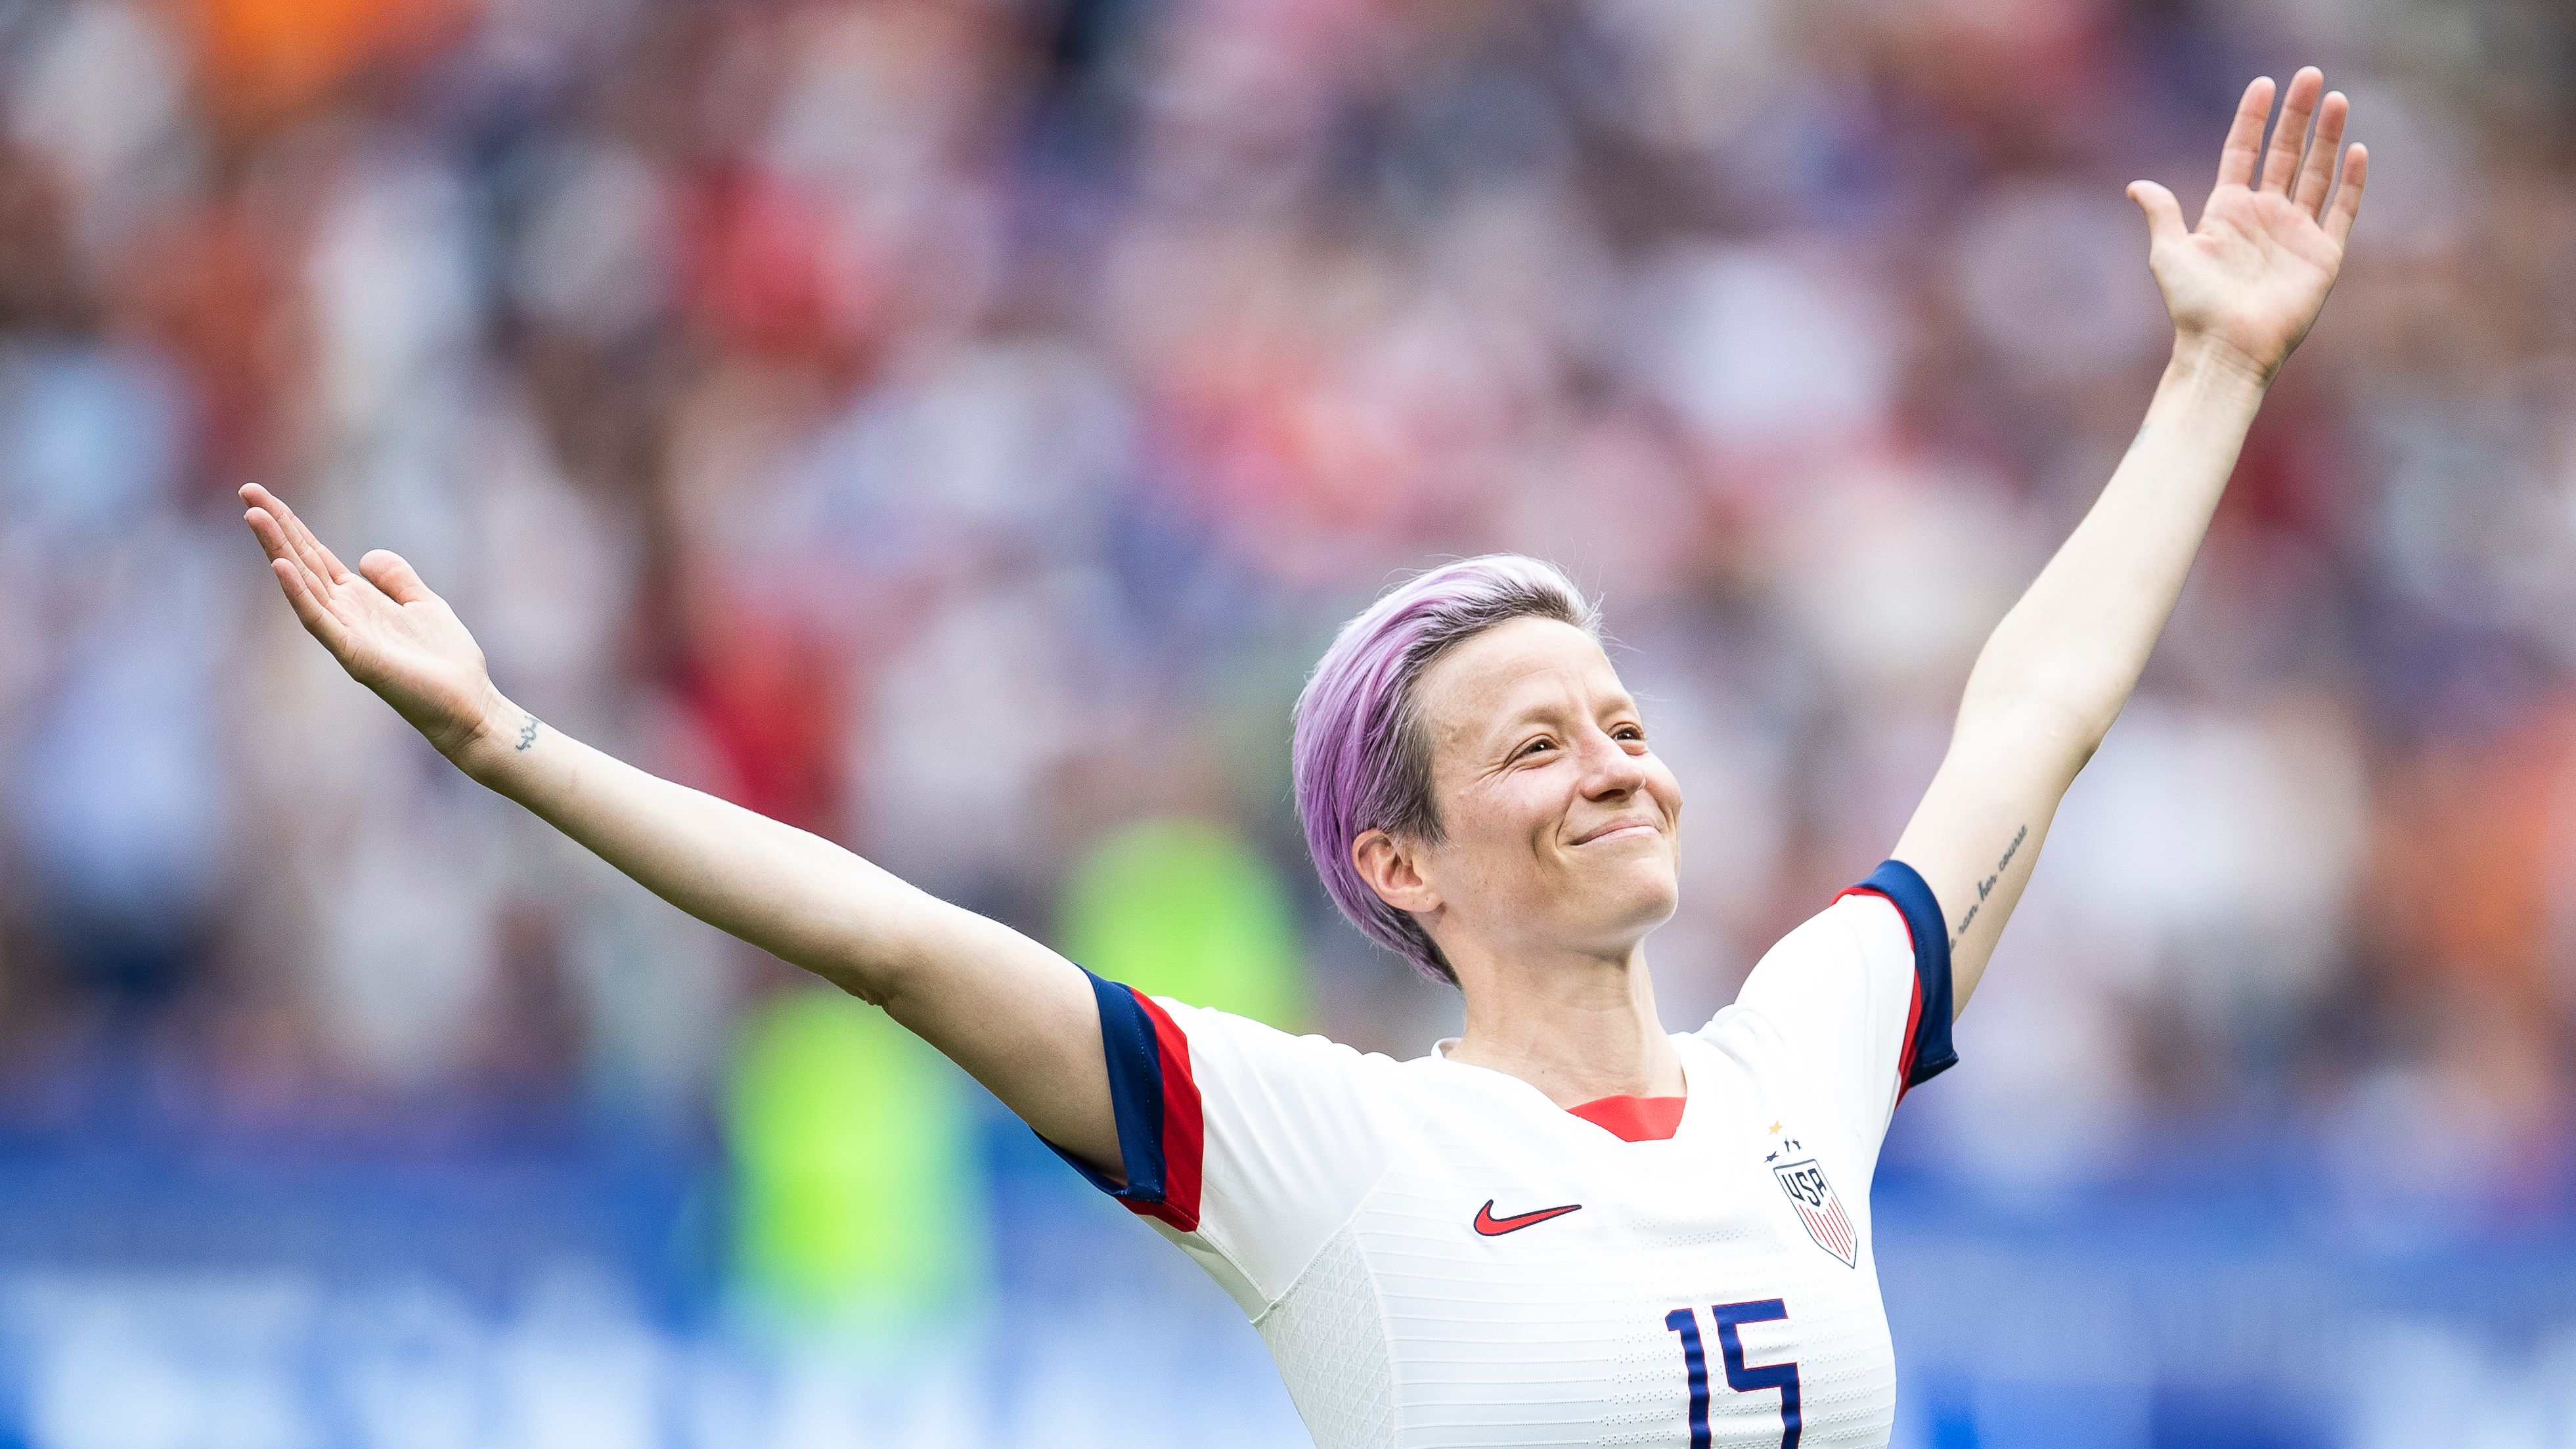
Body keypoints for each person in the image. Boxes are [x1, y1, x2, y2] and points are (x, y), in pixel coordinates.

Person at [240, 68, 2366, 1449]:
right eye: (1534, 747)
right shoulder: (1325, 1150)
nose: (1617, 767)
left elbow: (2029, 721)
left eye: (1622, 723)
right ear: (1405, 864)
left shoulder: (1795, 1063)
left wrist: (2205, 372)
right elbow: (891, 943)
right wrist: (509, 742)